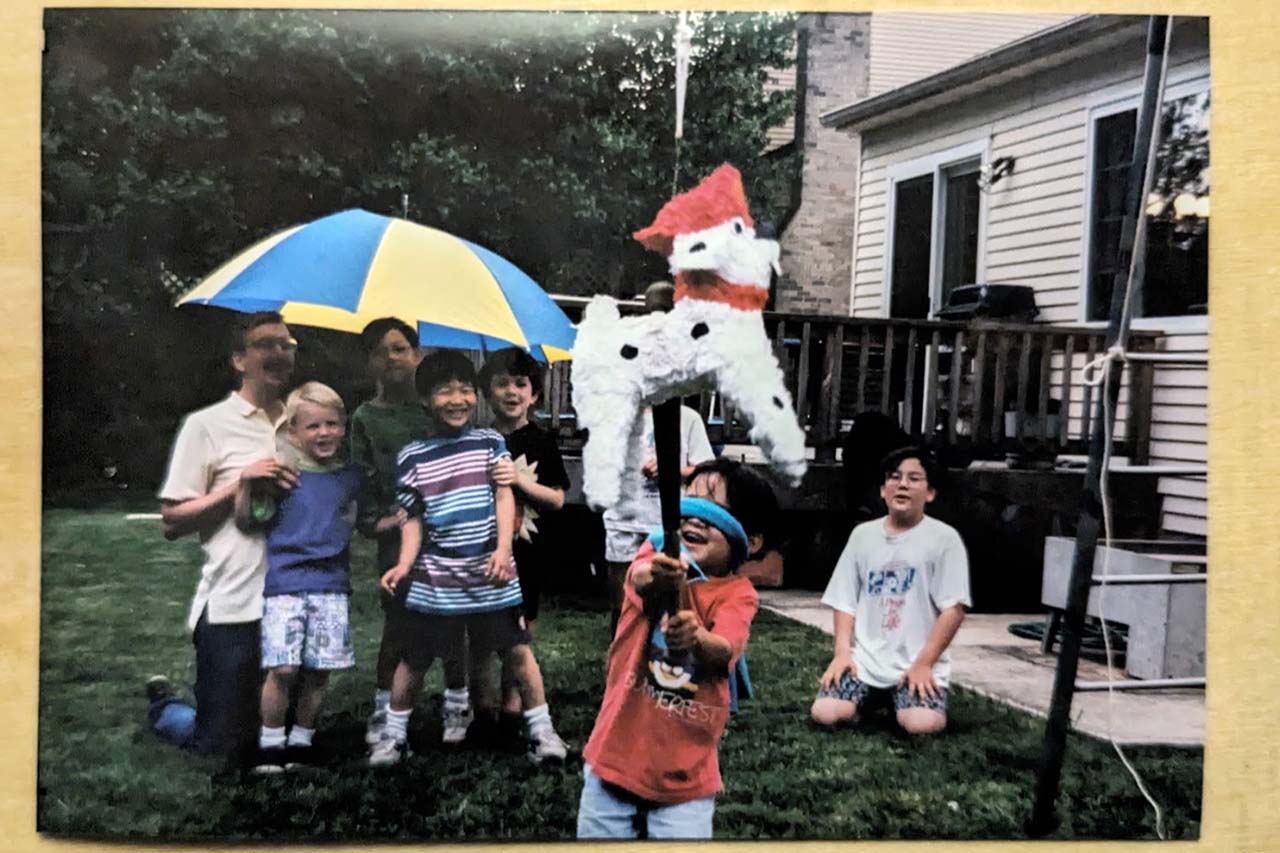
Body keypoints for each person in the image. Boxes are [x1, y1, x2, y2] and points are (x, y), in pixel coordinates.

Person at [369, 351, 568, 767]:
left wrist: (502, 551)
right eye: (445, 391)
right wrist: (405, 565)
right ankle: (393, 737)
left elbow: (504, 498)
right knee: (416, 656)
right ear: (425, 399)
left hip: (490, 571)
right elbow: (411, 519)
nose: (457, 399)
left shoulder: (489, 444)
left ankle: (543, 732)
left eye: (464, 390)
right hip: (436, 575)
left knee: (517, 649)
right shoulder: (413, 457)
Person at [578, 458, 777, 840]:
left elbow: (724, 649)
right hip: (614, 756)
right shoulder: (653, 553)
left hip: (686, 773)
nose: (696, 518)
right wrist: (660, 575)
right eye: (691, 502)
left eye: (715, 509)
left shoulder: (738, 594)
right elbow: (640, 578)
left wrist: (698, 638)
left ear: (750, 542)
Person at [146, 311, 300, 766]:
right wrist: (240, 484)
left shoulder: (304, 423)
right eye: (265, 343)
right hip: (233, 604)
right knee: (221, 744)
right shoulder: (207, 425)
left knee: (280, 730)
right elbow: (172, 521)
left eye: (286, 344)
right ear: (238, 359)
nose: (278, 352)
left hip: (293, 598)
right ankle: (163, 706)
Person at [349, 318, 473, 746]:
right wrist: (385, 521)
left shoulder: (433, 411)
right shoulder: (365, 418)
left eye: (400, 348)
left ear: (417, 355)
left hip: (446, 536)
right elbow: (363, 484)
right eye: (381, 351)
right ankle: (385, 708)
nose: (391, 357)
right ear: (369, 362)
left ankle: (458, 702)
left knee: (453, 623)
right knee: (399, 625)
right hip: (395, 536)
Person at [232, 382, 363, 773]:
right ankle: (271, 743)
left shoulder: (351, 478)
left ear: (343, 428)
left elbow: (368, 519)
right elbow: (247, 521)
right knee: (284, 668)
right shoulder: (280, 476)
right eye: (312, 427)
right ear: (293, 432)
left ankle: (303, 742)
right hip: (286, 585)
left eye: (332, 424)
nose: (324, 433)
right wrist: (245, 483)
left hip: (332, 586)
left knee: (318, 669)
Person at [810, 447, 970, 736]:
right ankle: (868, 703)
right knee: (826, 714)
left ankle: (904, 703)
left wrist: (924, 664)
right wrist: (842, 653)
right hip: (866, 664)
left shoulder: (944, 539)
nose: (903, 484)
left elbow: (954, 610)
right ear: (884, 491)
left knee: (921, 725)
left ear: (930, 492)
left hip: (916, 663)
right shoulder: (863, 536)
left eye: (914, 478)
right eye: (894, 478)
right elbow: (844, 601)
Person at [475, 348, 570, 743]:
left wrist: (518, 481)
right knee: (481, 630)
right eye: (501, 383)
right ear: (487, 392)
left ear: (534, 395)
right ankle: (483, 707)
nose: (511, 392)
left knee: (519, 629)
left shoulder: (542, 441)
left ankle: (514, 702)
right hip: (483, 550)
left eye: (520, 384)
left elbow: (558, 498)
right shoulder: (478, 440)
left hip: (527, 552)